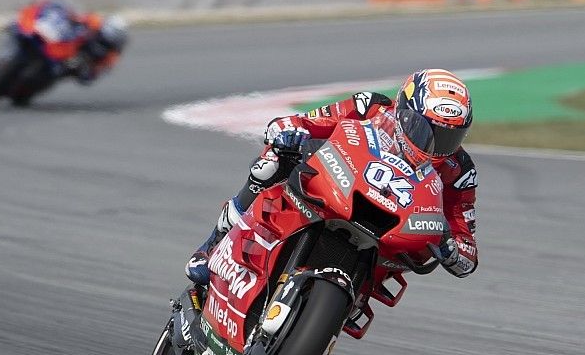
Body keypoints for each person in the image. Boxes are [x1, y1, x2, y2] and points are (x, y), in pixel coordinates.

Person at [185, 69, 478, 284]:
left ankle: (321, 341)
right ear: (402, 112)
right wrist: (289, 131)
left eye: (449, 136)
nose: (435, 145)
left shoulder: (459, 170)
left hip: (388, 236)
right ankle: (213, 245)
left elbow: (467, 247)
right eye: (425, 129)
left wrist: (452, 249)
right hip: (337, 189)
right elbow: (309, 121)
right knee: (271, 164)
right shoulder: (370, 107)